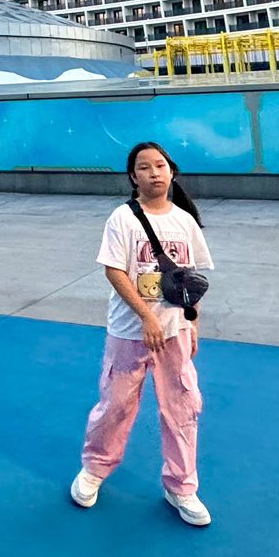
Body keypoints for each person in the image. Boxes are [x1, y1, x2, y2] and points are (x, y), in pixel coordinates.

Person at [71, 140, 217, 527]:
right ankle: (94, 469)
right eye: (144, 167)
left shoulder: (185, 221)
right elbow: (115, 271)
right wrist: (147, 318)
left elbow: (189, 279)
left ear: (172, 171)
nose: (154, 173)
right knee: (116, 405)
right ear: (133, 177)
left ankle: (181, 486)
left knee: (182, 407)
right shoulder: (122, 218)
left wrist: (192, 322)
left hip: (174, 333)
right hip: (129, 332)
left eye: (160, 166)